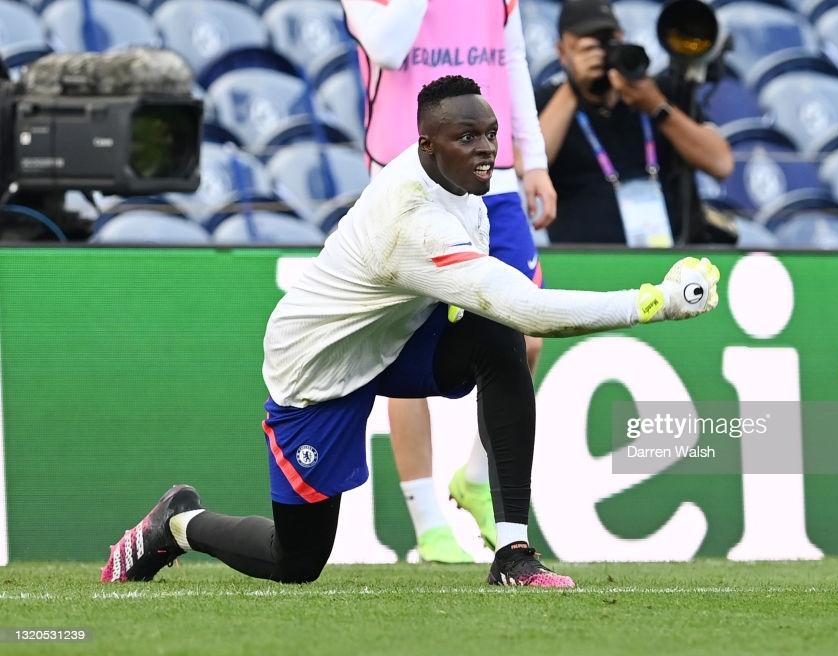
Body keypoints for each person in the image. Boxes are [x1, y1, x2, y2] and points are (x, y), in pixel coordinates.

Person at [100, 75, 720, 588]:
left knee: (496, 339)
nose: (486, 150)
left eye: (491, 135)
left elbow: (502, 314)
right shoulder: (413, 222)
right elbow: (534, 311)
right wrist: (655, 302)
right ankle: (179, 524)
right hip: (317, 369)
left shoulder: (462, 190)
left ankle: (512, 554)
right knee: (297, 563)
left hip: (392, 345)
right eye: (466, 137)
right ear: (426, 146)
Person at [340, 0, 557, 563]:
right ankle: (428, 522)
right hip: (406, 180)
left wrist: (532, 160)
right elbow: (385, 46)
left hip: (497, 178)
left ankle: (476, 479)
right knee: (405, 347)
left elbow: (513, 63)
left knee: (525, 335)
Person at [536, 0, 735, 246]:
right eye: (587, 46)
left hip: (668, 259)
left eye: (609, 42)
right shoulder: (548, 100)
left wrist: (655, 105)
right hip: (587, 261)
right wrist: (574, 87)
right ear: (562, 52)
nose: (601, 55)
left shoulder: (657, 93)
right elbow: (529, 164)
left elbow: (721, 163)